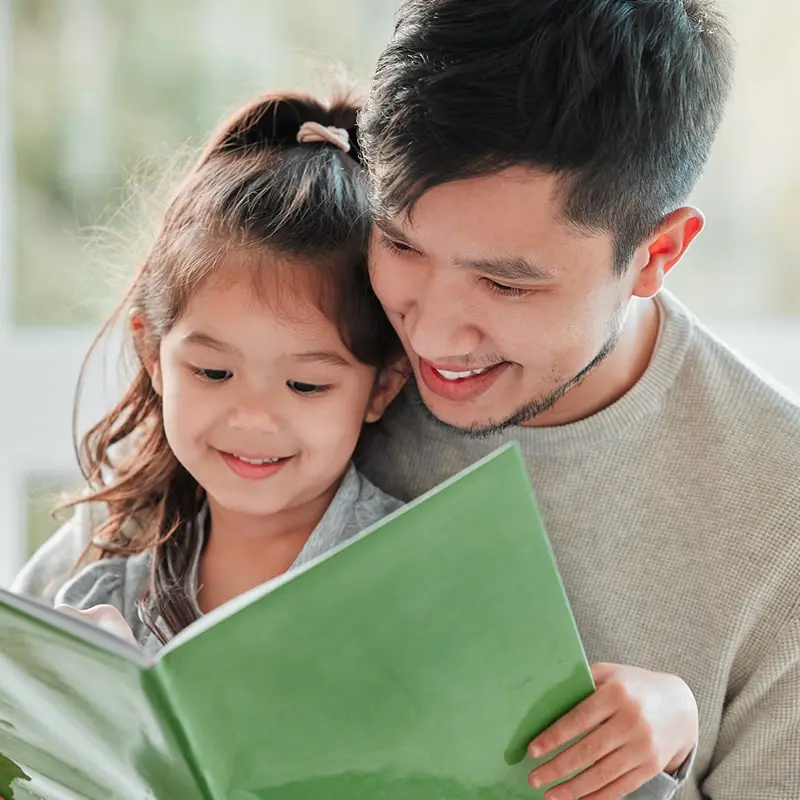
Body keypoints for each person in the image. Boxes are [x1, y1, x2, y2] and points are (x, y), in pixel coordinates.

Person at [355, 0, 800, 798]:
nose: (431, 334)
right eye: (400, 243)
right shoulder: (321, 345)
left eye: (504, 283)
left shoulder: (782, 513)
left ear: (656, 254)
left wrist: (668, 753)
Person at [12, 91, 407, 653]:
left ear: (382, 387)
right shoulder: (114, 540)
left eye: (305, 385)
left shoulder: (414, 570)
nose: (252, 417)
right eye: (213, 372)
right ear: (153, 356)